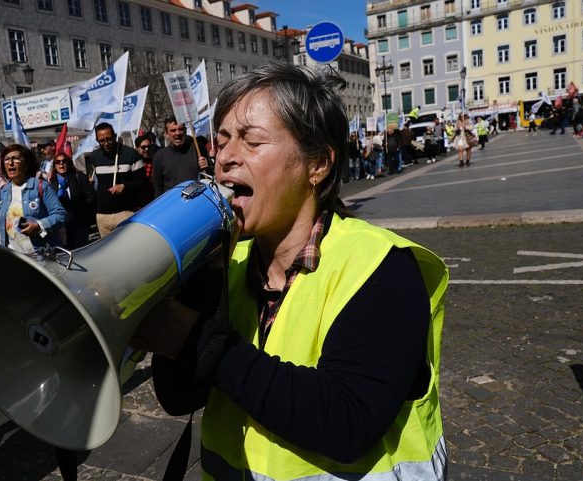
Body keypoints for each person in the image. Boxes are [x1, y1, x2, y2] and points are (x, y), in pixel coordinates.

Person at [138, 64, 448, 481]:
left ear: (317, 164)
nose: (226, 157)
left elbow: (346, 422)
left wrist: (193, 337)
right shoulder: (227, 265)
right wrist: (197, 290)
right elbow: (179, 397)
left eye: (251, 141)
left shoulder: (381, 268)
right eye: (223, 140)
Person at [0, 143, 66, 255]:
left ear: (26, 164)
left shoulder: (40, 186)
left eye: (15, 158)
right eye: (6, 159)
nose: (10, 163)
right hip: (12, 256)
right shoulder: (3, 192)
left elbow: (60, 214)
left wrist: (39, 225)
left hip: (39, 254)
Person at [90, 123, 148, 237]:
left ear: (115, 136)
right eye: (102, 141)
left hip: (125, 213)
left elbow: (143, 181)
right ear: (97, 140)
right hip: (103, 216)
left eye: (109, 139)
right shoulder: (94, 157)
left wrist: (125, 186)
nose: (106, 144)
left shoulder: (131, 154)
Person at [152, 116, 210, 197]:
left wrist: (207, 167)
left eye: (180, 129)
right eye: (173, 130)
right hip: (173, 204)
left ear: (185, 130)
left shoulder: (198, 149)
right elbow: (158, 188)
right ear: (166, 133)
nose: (177, 133)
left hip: (197, 200)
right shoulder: (160, 156)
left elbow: (210, 178)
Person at [48, 153, 95, 249]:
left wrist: (81, 208)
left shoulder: (79, 177)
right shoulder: (52, 182)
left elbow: (90, 197)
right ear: (55, 166)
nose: (61, 164)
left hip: (79, 222)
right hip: (61, 225)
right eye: (58, 162)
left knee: (81, 250)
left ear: (69, 163)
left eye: (64, 161)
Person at [135, 133, 156, 206]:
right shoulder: (133, 164)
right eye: (143, 147)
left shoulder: (155, 162)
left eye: (148, 147)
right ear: (137, 148)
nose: (147, 149)